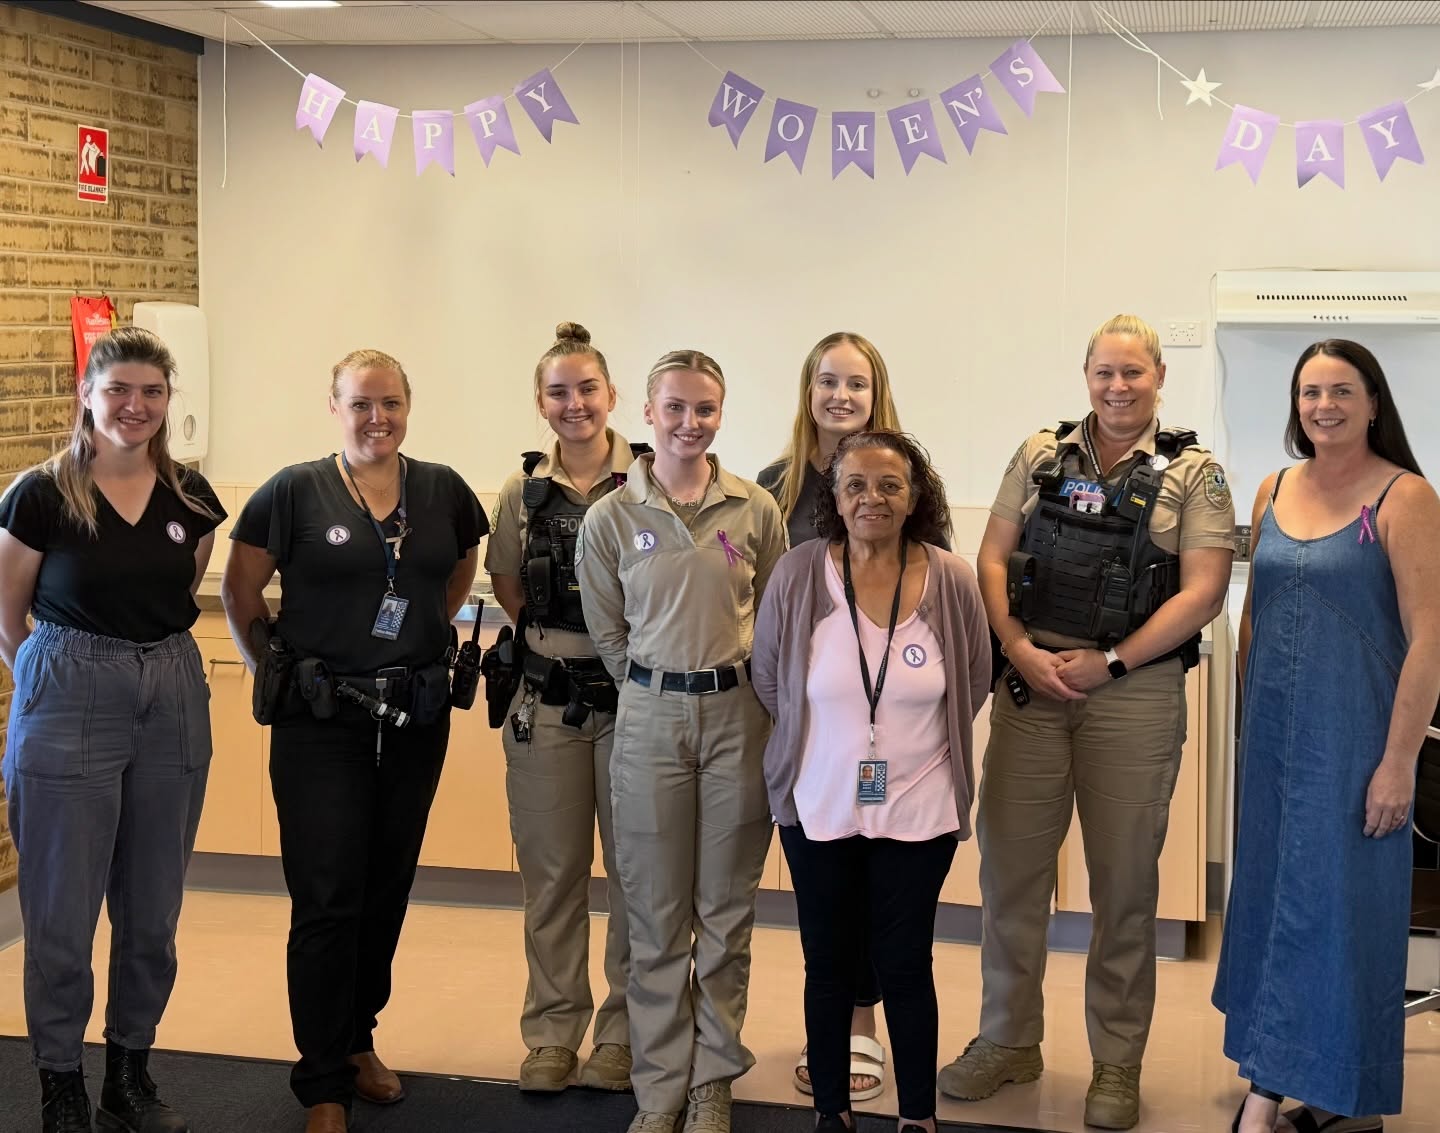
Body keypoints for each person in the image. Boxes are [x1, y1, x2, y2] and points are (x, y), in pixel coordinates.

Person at [938, 313, 1234, 1130]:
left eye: (1134, 372)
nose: (1118, 386)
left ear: (1159, 376)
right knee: (1010, 877)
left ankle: (1117, 1061)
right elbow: (990, 557)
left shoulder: (1194, 474)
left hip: (1131, 694)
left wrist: (1111, 662)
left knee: (1125, 887)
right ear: (1086, 375)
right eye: (1105, 371)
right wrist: (1016, 646)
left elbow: (1204, 590)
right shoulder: (1041, 454)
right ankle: (1008, 1039)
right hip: (1033, 686)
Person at [221, 348, 486, 1133]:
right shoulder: (292, 491)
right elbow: (240, 588)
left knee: (386, 884)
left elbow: (455, 574)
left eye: (391, 402)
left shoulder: (444, 490)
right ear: (334, 406)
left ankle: (359, 1035)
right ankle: (323, 1080)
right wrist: (272, 668)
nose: (378, 417)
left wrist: (415, 637)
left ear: (409, 406)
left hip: (414, 716)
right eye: (361, 403)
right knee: (327, 893)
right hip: (320, 721)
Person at [0, 326, 224, 1133]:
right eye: (119, 389)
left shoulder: (191, 496)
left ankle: (129, 1075)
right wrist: (56, 681)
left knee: (152, 908)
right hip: (69, 686)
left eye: (152, 391)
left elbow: (179, 587)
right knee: (62, 909)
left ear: (167, 400)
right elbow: (8, 614)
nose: (136, 405)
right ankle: (60, 1081)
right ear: (87, 394)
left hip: (170, 687)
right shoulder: (41, 493)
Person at [1215, 340, 1440, 1133]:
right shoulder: (1273, 489)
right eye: (1311, 391)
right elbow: (1252, 617)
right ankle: (1328, 1099)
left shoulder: (1406, 497)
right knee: (1272, 906)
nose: (1325, 406)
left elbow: (1430, 638)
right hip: (1273, 744)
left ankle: (1273, 1095)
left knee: (1334, 916)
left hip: (1355, 746)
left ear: (1373, 402)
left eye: (1342, 390)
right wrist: (1248, 732)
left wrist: (1399, 762)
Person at [753, 430, 990, 1133]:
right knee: (827, 963)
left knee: (905, 962)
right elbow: (769, 676)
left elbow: (973, 680)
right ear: (833, 496)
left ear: (915, 497)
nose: (872, 498)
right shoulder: (798, 573)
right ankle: (832, 1111)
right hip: (819, 802)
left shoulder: (951, 578)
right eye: (855, 484)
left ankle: (918, 1117)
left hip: (920, 804)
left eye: (890, 485)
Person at [575, 349, 787, 1133]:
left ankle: (712, 1081)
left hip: (738, 718)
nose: (690, 422)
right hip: (650, 718)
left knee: (725, 914)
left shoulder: (754, 509)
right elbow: (609, 632)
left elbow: (774, 616)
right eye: (675, 407)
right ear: (648, 412)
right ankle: (662, 1088)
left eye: (705, 408)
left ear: (720, 414)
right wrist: (657, 684)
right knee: (656, 916)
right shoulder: (611, 517)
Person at [757, 330, 947, 1103]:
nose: (841, 395)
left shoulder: (909, 478)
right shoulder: (771, 488)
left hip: (896, 731)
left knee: (888, 898)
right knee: (828, 899)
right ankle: (834, 1023)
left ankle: (865, 1021)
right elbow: (759, 602)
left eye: (857, 384)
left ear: (877, 394)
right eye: (828, 381)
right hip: (807, 718)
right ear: (808, 391)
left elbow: (950, 629)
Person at [484, 322, 647, 1093]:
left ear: (613, 395)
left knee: (637, 875)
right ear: (540, 402)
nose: (575, 403)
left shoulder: (653, 480)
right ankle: (552, 1032)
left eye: (587, 389)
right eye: (559, 392)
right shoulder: (521, 491)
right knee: (552, 877)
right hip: (546, 701)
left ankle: (622, 1033)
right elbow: (507, 584)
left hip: (637, 704)